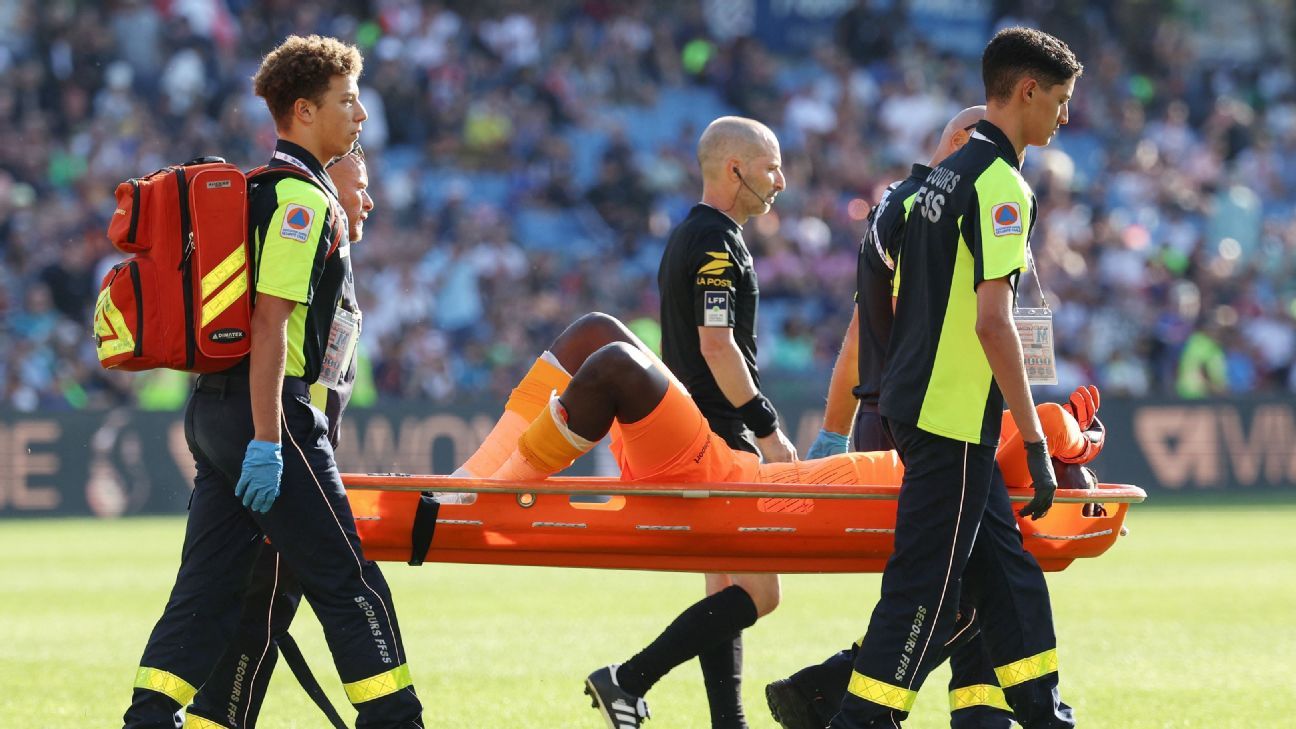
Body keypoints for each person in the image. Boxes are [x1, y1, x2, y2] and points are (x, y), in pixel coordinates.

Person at [451, 310, 1102, 729]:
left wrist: (1071, 444)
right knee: (602, 340)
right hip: (732, 481)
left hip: (733, 485)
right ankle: (480, 483)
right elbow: (1036, 430)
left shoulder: (960, 483)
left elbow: (1036, 432)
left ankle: (487, 487)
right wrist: (1072, 445)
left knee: (609, 351)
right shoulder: (960, 477)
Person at [122, 35, 422, 729]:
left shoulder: (256, 190)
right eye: (348, 102)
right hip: (269, 413)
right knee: (347, 580)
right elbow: (269, 322)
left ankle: (148, 717)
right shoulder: (301, 202)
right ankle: (396, 718)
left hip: (212, 409)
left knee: (205, 589)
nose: (361, 116)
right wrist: (270, 439)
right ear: (304, 112)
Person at [831, 27, 1083, 729]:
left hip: (919, 402)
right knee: (927, 590)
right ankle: (858, 717)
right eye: (1059, 100)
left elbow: (904, 296)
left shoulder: (934, 182)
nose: (1065, 116)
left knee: (1006, 571)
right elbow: (993, 323)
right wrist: (1034, 437)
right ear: (1026, 91)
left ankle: (1042, 712)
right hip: (951, 415)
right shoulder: (1002, 187)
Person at [767, 105, 1023, 729]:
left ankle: (966, 711)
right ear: (964, 145)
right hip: (931, 419)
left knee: (975, 571)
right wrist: (834, 430)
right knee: (948, 585)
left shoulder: (907, 208)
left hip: (936, 414)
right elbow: (865, 330)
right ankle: (837, 694)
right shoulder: (934, 210)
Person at [603, 115, 795, 729]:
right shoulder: (718, 243)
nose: (781, 180)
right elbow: (718, 345)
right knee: (762, 594)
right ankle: (627, 679)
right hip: (716, 437)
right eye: (770, 166)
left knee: (722, 591)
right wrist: (766, 428)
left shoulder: (692, 234)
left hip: (698, 432)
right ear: (735, 169)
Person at [183, 144, 375, 729]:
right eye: (357, 186)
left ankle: (212, 718)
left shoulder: (332, 272)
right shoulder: (304, 229)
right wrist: (280, 447)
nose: (366, 200)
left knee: (261, 609)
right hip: (287, 448)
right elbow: (283, 352)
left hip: (296, 450)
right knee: (269, 606)